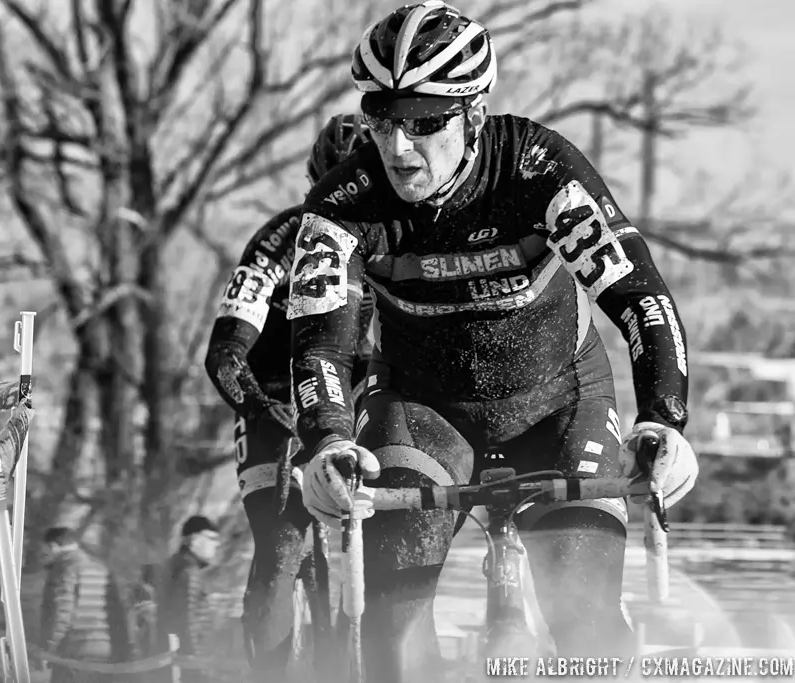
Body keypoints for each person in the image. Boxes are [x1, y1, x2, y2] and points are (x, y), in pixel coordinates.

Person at [287, 3, 700, 681]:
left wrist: (664, 417)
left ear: (474, 116)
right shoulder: (343, 203)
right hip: (423, 411)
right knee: (390, 633)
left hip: (558, 403)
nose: (398, 146)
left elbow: (641, 299)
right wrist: (328, 439)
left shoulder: (538, 169)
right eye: (382, 117)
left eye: (424, 121)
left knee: (585, 622)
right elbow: (320, 346)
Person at [203, 113, 375, 681]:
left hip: (354, 402)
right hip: (275, 398)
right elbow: (224, 354)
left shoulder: (400, 237)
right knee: (281, 548)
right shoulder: (280, 240)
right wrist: (257, 406)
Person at [38, 527, 133, 683]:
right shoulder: (100, 567)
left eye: (45, 550)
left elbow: (62, 612)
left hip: (72, 651)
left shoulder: (63, 567)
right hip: (103, 649)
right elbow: (118, 612)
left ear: (54, 546)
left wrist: (50, 647)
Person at [158, 516, 221, 682]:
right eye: (211, 538)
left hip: (175, 660)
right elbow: (187, 620)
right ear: (194, 540)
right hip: (191, 664)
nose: (217, 544)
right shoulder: (189, 573)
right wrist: (199, 667)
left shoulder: (176, 567)